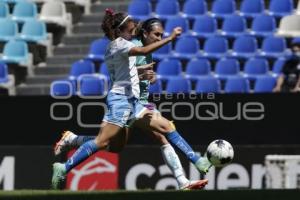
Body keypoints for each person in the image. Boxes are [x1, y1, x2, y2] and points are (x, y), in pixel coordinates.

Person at [51, 11, 211, 190]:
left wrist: (145, 75)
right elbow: (135, 59)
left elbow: (129, 72)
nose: (159, 37)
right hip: (122, 100)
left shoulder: (126, 44)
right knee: (107, 144)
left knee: (164, 130)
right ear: (126, 32)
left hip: (136, 102)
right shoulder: (126, 45)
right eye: (156, 34)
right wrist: (170, 39)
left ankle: (190, 172)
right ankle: (65, 162)